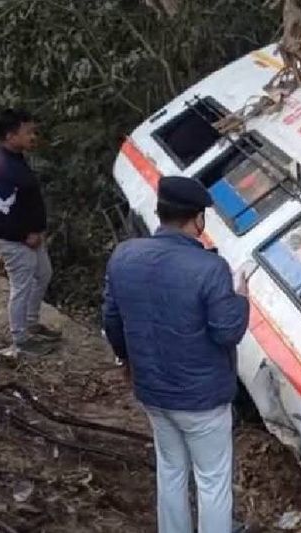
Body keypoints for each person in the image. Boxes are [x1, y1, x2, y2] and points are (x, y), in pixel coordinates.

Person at [102, 176, 250, 533]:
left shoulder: (124, 256)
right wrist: (242, 297)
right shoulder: (210, 269)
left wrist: (126, 362)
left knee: (170, 470)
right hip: (202, 400)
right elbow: (227, 331)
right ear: (197, 219)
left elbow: (111, 318)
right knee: (212, 481)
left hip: (153, 392)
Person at [0, 109, 60, 354]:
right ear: (10, 135)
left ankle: (31, 323)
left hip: (31, 237)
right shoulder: (1, 170)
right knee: (22, 286)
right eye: (28, 132)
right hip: (15, 241)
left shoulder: (15, 158)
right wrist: (24, 236)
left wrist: (37, 230)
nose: (33, 136)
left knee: (44, 274)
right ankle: (20, 340)